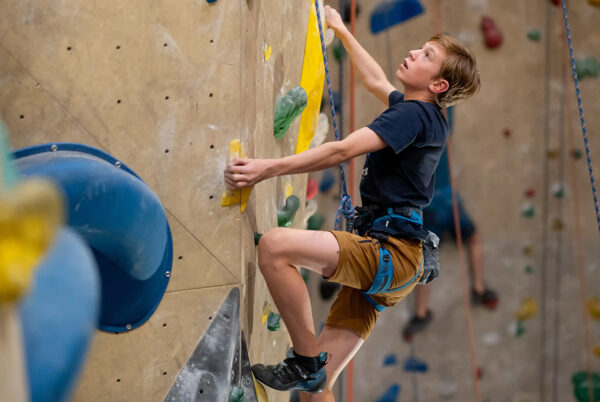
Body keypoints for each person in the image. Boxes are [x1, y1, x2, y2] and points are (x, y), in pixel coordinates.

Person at [224, 5, 480, 401]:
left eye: (426, 55)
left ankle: (305, 363)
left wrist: (265, 169)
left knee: (274, 247)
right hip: (399, 262)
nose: (414, 53)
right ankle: (311, 373)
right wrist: (341, 29)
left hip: (390, 253)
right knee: (317, 393)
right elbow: (375, 79)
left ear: (438, 84)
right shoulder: (426, 116)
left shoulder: (414, 115)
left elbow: (341, 150)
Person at [402, 145, 498, 341]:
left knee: (427, 257)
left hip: (429, 206)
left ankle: (421, 312)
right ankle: (479, 288)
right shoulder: (440, 133)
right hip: (447, 202)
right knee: (472, 238)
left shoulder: (409, 143)